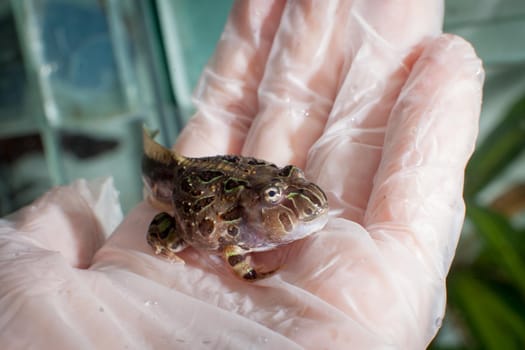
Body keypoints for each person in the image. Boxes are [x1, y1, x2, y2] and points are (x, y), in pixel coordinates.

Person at [0, 1, 483, 348]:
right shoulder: (237, 230)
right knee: (166, 232)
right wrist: (251, 275)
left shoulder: (274, 200)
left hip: (220, 176)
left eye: (290, 181)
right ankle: (166, 232)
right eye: (277, 194)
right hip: (188, 188)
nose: (295, 196)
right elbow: (234, 251)